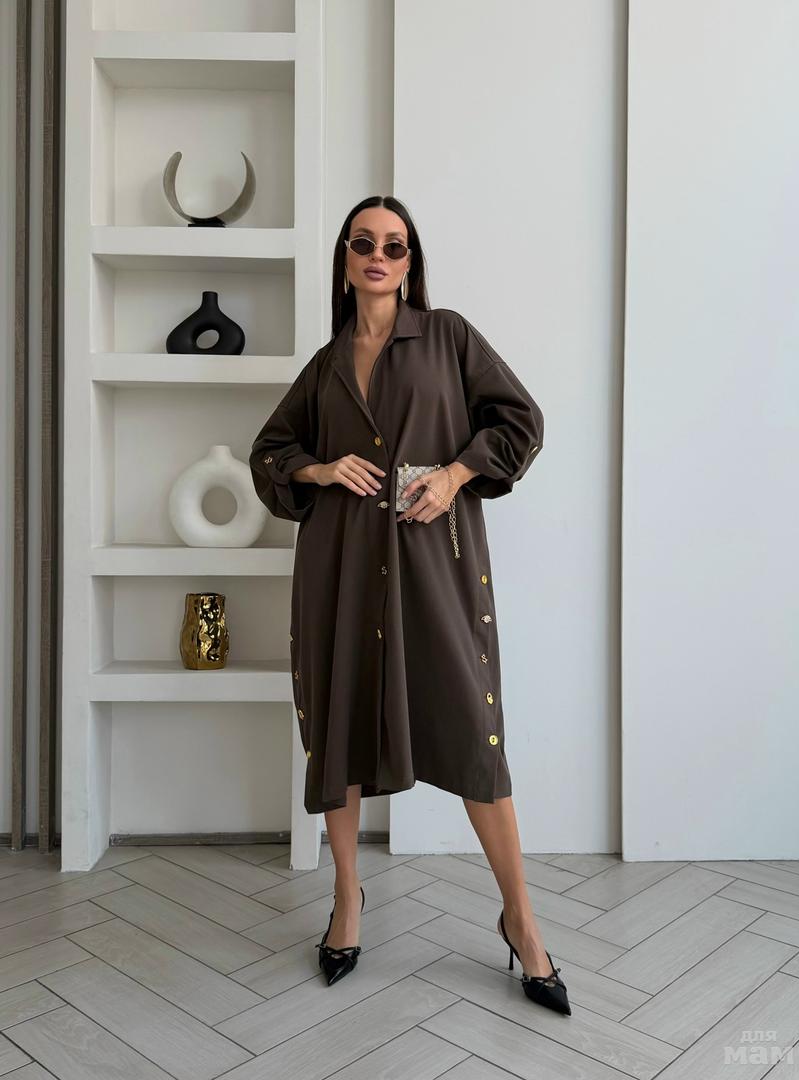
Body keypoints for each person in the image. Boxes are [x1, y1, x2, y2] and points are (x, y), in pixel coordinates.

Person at [250, 195, 570, 1014]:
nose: (378, 255)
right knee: (342, 725)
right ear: (345, 260)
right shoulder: (326, 364)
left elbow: (519, 421)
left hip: (433, 563)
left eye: (394, 245)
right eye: (363, 242)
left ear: (409, 261)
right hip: (341, 567)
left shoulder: (448, 336)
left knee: (470, 727)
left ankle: (520, 919)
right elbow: (270, 452)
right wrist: (320, 469)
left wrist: (456, 474)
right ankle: (347, 900)